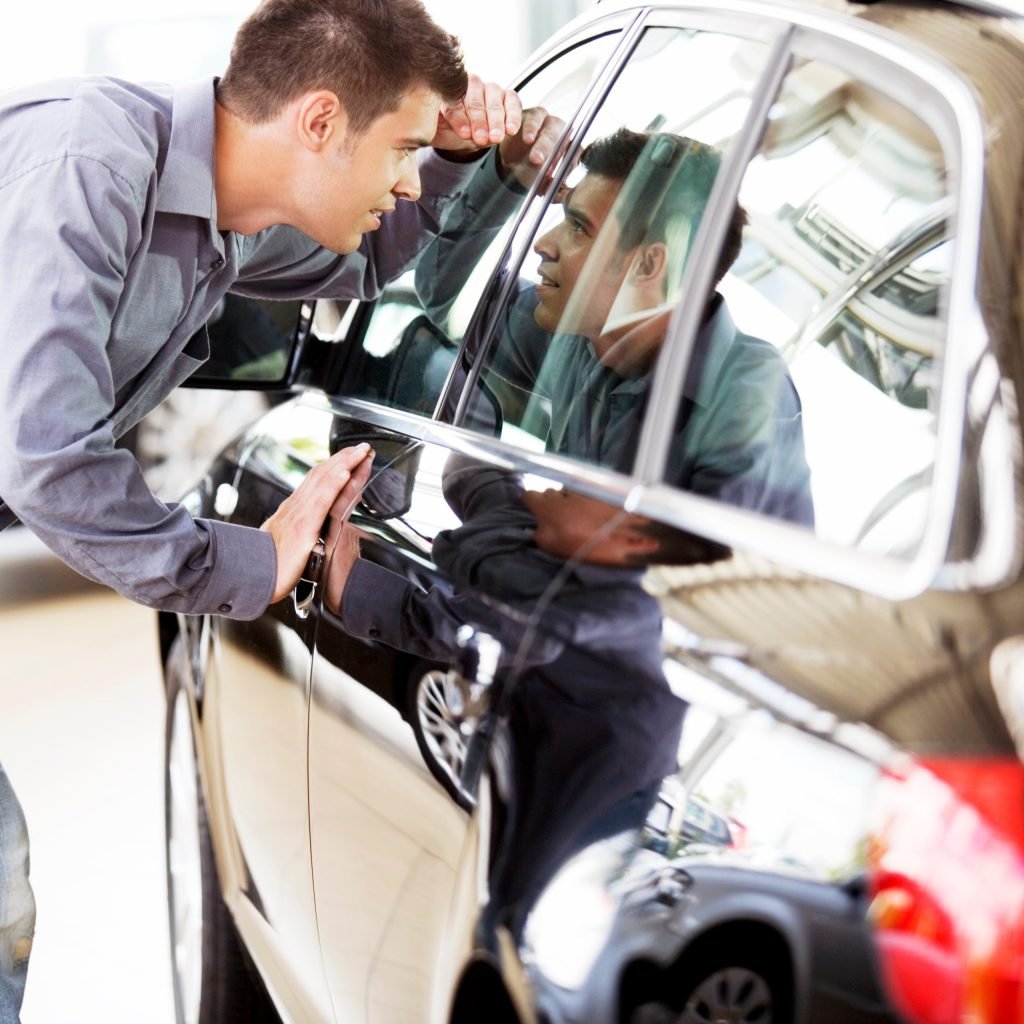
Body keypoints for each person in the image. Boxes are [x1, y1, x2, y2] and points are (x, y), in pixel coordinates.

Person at [0, 0, 526, 1016]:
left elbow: (371, 261)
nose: (412, 179)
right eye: (405, 148)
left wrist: (463, 161)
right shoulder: (93, 168)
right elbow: (48, 462)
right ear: (321, 121)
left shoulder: (220, 219)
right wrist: (238, 561)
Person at [417, 120, 815, 528]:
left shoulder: (741, 408)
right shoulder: (589, 336)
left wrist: (482, 489)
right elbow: (449, 293)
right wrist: (507, 173)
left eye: (577, 228)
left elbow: (617, 585)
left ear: (646, 265)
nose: (543, 242)